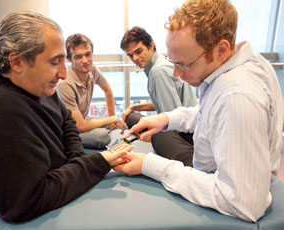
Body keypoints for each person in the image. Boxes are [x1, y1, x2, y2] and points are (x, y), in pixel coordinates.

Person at [114, 0, 284, 222]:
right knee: (161, 133)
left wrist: (150, 165)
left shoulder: (237, 97)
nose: (175, 73)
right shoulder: (235, 65)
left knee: (160, 142)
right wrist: (166, 119)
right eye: (172, 61)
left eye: (184, 65)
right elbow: (208, 113)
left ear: (221, 50)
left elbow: (243, 203)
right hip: (218, 160)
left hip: (218, 179)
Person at [0, 11, 132, 223]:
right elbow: (25, 204)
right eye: (55, 62)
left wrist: (77, 160)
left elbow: (66, 120)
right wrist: (95, 164)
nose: (63, 74)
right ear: (17, 62)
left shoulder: (36, 86)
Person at [120, 26, 198, 166]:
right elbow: (164, 101)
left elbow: (172, 118)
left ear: (150, 45)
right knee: (131, 116)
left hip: (186, 133)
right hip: (188, 124)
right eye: (131, 55)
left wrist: (150, 135)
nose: (135, 58)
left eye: (138, 51)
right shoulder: (161, 62)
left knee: (155, 135)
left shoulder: (158, 72)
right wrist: (134, 106)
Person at [56, 34, 125, 150]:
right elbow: (80, 126)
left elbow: (107, 89)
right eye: (78, 57)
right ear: (69, 59)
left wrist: (112, 117)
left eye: (88, 54)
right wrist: (110, 119)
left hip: (82, 119)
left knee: (117, 124)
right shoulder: (65, 84)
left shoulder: (92, 70)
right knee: (102, 136)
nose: (85, 61)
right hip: (67, 130)